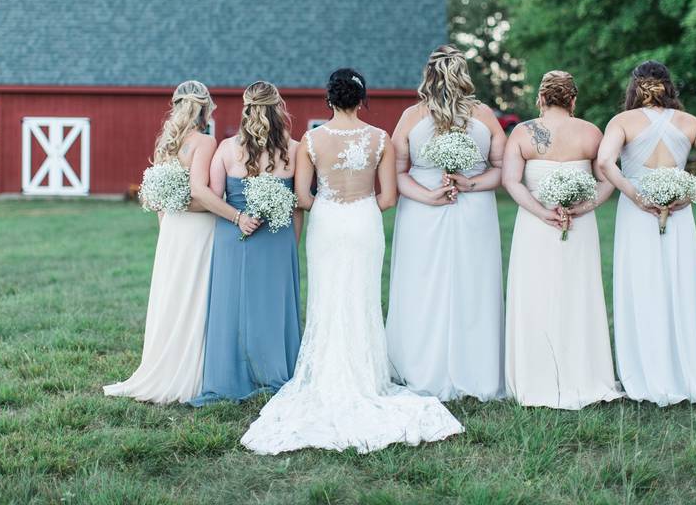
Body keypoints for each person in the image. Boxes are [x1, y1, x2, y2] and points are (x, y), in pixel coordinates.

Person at [241, 69, 464, 454]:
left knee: (327, 297)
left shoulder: (311, 140)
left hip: (327, 222)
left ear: (329, 100)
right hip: (364, 222)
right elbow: (389, 197)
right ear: (362, 100)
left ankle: (328, 374)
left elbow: (304, 198)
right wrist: (360, 211)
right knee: (361, 297)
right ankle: (367, 377)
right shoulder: (379, 139)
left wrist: (334, 210)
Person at [597, 60, 696, 406]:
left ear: (634, 88)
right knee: (678, 286)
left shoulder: (622, 121)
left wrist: (633, 194)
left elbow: (603, 163)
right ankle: (685, 371)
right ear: (669, 87)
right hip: (679, 211)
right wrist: (692, 193)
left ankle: (644, 375)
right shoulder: (689, 122)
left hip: (636, 213)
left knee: (640, 286)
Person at [385, 45, 506, 401]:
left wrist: (427, 195)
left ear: (429, 74)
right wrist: (470, 184)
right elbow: (500, 170)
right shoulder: (484, 116)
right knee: (473, 283)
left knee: (424, 284)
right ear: (463, 73)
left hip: (425, 208)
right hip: (471, 207)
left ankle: (419, 367)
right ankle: (477, 371)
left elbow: (396, 172)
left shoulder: (410, 116)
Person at [501, 71, 623, 409]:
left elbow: (511, 182)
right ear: (572, 100)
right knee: (578, 294)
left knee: (535, 294)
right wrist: (583, 208)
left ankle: (534, 377)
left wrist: (541, 213)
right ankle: (582, 374)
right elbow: (609, 180)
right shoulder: (590, 132)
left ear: (540, 99)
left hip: (536, 226)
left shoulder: (523, 133)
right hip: (579, 227)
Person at [104, 80, 218, 403]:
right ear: (204, 109)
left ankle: (166, 365)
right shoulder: (205, 143)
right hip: (198, 229)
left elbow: (159, 200)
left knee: (173, 298)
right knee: (194, 298)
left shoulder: (165, 145)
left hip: (171, 231)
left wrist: (166, 231)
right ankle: (190, 375)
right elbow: (200, 192)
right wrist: (230, 211)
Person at [189, 81, 303, 406]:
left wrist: (237, 217)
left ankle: (230, 376)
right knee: (272, 306)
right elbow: (298, 205)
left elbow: (211, 195)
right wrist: (290, 246)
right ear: (279, 108)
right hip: (276, 238)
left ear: (246, 109)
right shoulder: (294, 150)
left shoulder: (226, 148)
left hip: (232, 234)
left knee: (233, 306)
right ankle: (272, 371)